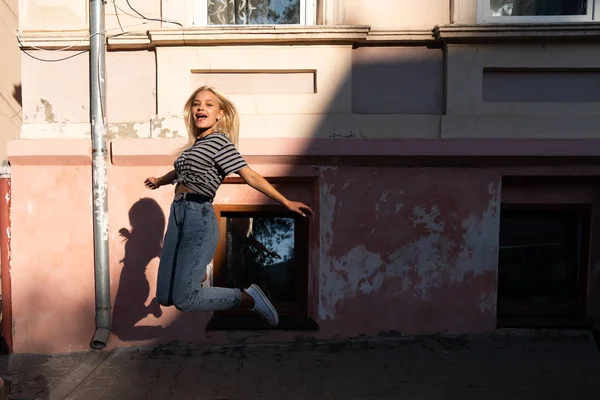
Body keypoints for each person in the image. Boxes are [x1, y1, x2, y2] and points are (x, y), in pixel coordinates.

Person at [144, 86, 313, 326]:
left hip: (198, 216)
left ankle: (247, 297)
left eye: (209, 104)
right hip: (177, 214)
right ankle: (201, 273)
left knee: (185, 300)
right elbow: (179, 170)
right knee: (164, 296)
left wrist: (284, 201)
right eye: (196, 104)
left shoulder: (220, 143)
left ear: (220, 114)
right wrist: (160, 181)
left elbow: (249, 175)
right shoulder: (194, 147)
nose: (201, 107)